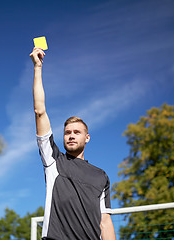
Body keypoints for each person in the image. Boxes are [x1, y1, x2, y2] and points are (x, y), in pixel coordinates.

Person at [30, 47, 116, 240]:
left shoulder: (101, 176)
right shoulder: (54, 161)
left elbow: (105, 222)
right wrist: (37, 68)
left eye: (77, 132)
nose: (71, 135)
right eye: (67, 132)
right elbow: (39, 111)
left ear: (87, 137)